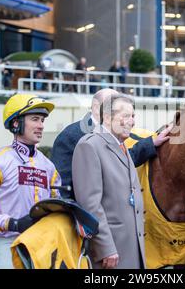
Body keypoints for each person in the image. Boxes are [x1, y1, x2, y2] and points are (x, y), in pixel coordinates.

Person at [0, 94, 61, 269]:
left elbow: (58, 205)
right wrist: (12, 223)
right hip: (9, 246)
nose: (41, 125)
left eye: (42, 120)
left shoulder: (49, 167)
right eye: (35, 119)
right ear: (16, 123)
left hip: (44, 247)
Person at [50, 88, 171, 199]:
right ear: (97, 108)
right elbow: (61, 187)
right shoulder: (71, 136)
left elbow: (122, 160)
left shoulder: (112, 134)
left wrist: (152, 143)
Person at [72, 94, 145, 269]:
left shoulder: (120, 145)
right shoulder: (89, 145)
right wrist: (106, 248)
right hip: (111, 253)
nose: (132, 121)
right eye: (126, 116)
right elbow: (90, 204)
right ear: (108, 117)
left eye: (133, 116)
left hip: (130, 249)